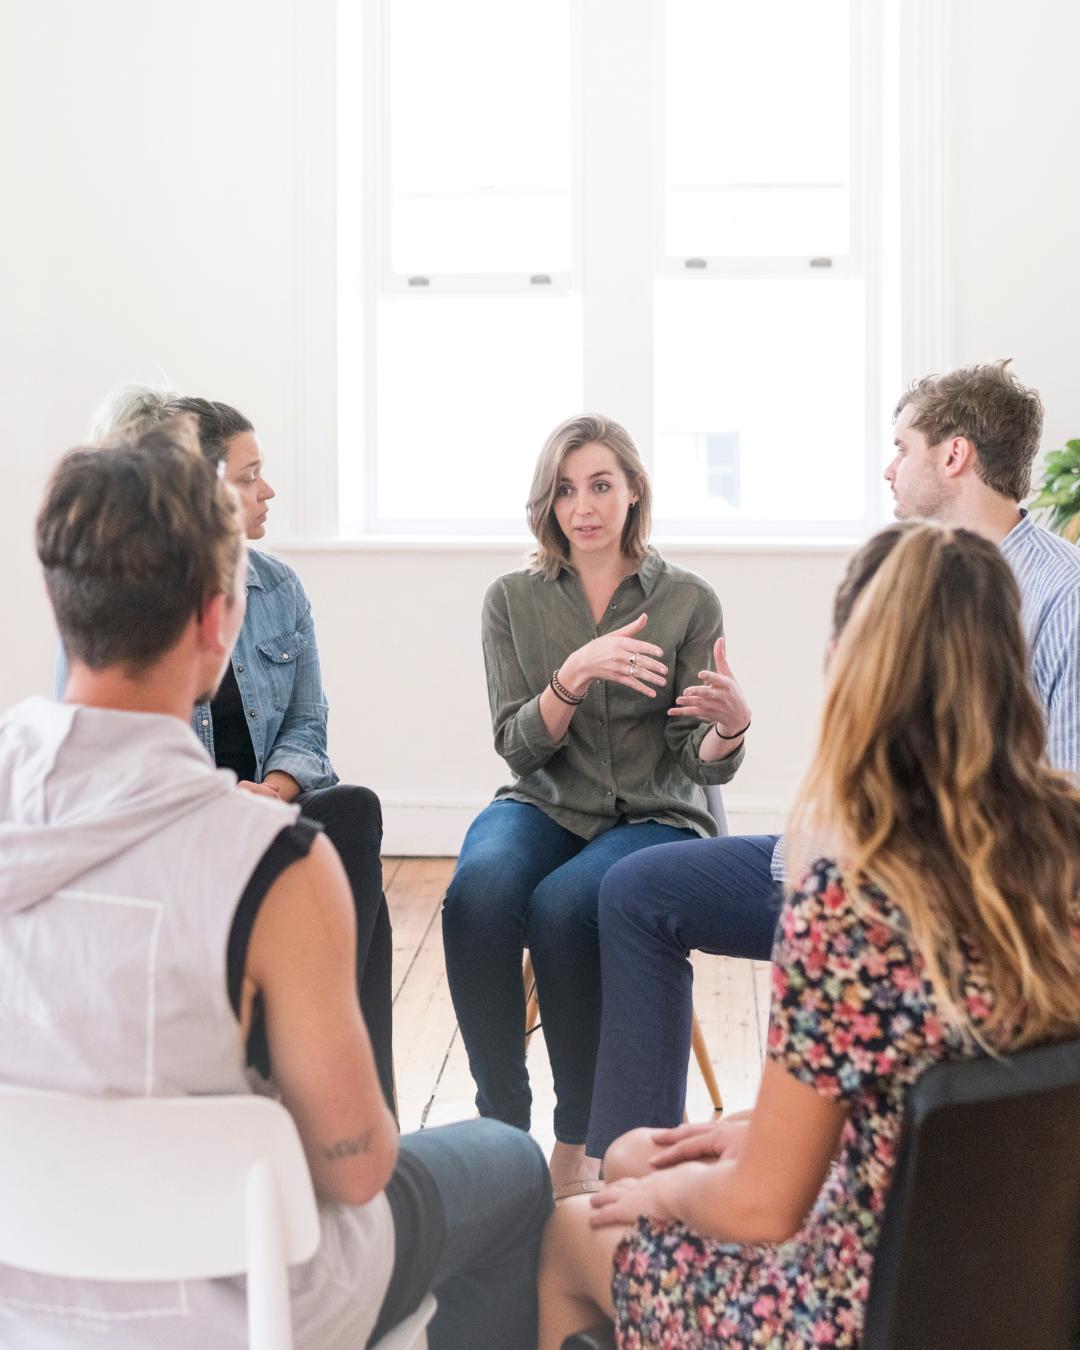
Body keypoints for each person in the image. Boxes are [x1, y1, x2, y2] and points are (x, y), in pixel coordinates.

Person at [0, 430, 551, 1350]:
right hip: (239, 1308)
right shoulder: (275, 864)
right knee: (512, 1164)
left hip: (23, 1295)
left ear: (61, 605)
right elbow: (357, 1170)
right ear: (219, 622)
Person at [539, 521, 1080, 1349]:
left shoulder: (853, 898)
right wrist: (737, 1132)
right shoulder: (1064, 844)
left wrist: (670, 1196)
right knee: (643, 1154)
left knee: (576, 1229)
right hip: (1022, 1285)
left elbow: (764, 1206)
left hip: (849, 1311)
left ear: (850, 663)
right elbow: (948, 1089)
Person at [586, 359, 1080, 1159]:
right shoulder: (910, 577)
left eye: (902, 445)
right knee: (637, 890)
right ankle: (630, 1160)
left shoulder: (1061, 597)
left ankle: (775, 1149)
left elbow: (1054, 823)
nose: (890, 466)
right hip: (842, 863)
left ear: (953, 457)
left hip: (931, 900)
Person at [63, 386, 396, 1114]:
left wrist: (267, 794)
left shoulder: (279, 588)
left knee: (350, 816)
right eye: (248, 477)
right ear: (200, 491)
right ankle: (332, 1094)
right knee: (344, 852)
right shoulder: (125, 608)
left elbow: (310, 730)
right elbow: (109, 750)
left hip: (267, 814)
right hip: (177, 831)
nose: (267, 490)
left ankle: (340, 1087)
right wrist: (218, 804)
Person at [441, 414, 751, 1194]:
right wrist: (571, 676)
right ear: (546, 503)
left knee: (565, 907)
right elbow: (518, 747)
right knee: (476, 894)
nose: (584, 506)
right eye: (567, 489)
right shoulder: (512, 600)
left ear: (634, 490)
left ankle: (574, 1141)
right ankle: (499, 1122)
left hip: (653, 811)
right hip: (544, 799)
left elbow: (695, 760)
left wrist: (728, 728)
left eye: (602, 485)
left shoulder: (686, 600)